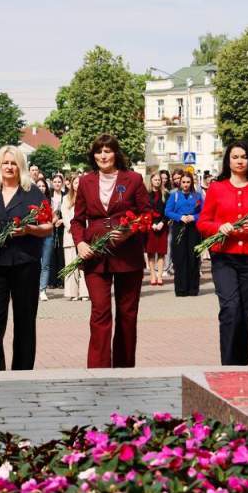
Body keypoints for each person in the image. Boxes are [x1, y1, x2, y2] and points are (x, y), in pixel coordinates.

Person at [70, 134, 150, 368]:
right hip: (95, 256)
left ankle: (124, 369)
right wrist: (80, 243)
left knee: (127, 314)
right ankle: (99, 369)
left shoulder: (133, 179)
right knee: (100, 311)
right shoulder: (86, 182)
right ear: (93, 155)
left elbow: (147, 214)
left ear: (116, 153)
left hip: (128, 255)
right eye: (98, 151)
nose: (103, 156)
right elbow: (77, 220)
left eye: (107, 151)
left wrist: (129, 231)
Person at [0, 146, 53, 370]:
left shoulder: (33, 192)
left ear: (21, 166)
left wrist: (29, 229)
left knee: (25, 319)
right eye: (5, 163)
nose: (9, 167)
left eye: (13, 163)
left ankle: (23, 370)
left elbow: (48, 226)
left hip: (25, 263)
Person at [196, 141, 248, 366]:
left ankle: (242, 367)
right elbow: (203, 222)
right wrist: (218, 227)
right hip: (224, 258)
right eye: (235, 157)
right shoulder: (217, 188)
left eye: (243, 157)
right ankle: (228, 366)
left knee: (246, 312)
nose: (240, 161)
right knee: (230, 308)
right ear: (228, 161)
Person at [165, 172, 204, 297]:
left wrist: (194, 217)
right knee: (180, 258)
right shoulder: (175, 195)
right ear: (180, 183)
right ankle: (181, 289)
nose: (186, 184)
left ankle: (193, 288)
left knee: (193, 257)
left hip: (193, 228)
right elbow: (167, 211)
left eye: (188, 182)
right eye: (183, 182)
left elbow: (203, 212)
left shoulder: (197, 196)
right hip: (179, 227)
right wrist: (179, 217)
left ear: (191, 183)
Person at [61, 174, 89, 300]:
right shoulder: (66, 198)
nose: (78, 185)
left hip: (84, 235)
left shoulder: (87, 198)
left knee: (84, 265)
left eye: (80, 182)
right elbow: (65, 215)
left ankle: (85, 292)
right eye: (76, 183)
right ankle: (72, 293)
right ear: (72, 184)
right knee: (71, 264)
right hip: (69, 235)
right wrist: (73, 229)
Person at [145, 172, 169, 286]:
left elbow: (168, 211)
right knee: (150, 252)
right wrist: (151, 223)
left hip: (162, 226)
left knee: (161, 252)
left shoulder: (166, 194)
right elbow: (144, 210)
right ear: (151, 181)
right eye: (155, 180)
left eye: (159, 180)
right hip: (150, 226)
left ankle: (159, 276)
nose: (158, 182)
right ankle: (152, 275)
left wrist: (162, 223)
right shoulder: (146, 194)